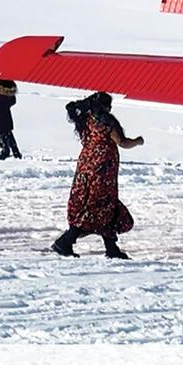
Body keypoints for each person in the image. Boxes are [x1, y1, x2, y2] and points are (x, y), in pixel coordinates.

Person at [52, 92, 143, 259]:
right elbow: (122, 142)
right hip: (103, 168)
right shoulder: (107, 121)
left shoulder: (86, 119)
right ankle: (65, 241)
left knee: (92, 202)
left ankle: (110, 247)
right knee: (101, 204)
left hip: (86, 165)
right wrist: (138, 141)